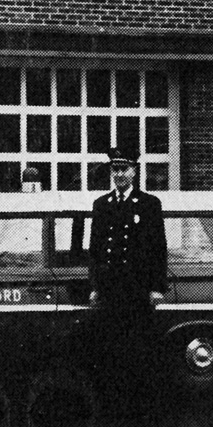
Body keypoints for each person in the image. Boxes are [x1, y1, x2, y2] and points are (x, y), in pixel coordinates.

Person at [87, 146, 168, 408]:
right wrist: (95, 287)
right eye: (115, 169)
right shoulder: (101, 205)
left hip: (137, 289)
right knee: (110, 345)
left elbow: (159, 248)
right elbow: (95, 250)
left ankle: (139, 405)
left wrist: (157, 288)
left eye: (124, 169)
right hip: (110, 289)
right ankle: (113, 403)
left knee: (137, 347)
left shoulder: (149, 204)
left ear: (134, 171)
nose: (119, 174)